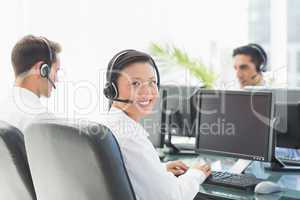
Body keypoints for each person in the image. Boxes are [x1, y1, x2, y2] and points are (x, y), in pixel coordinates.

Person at [100, 49, 211, 200]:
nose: (147, 91)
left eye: (152, 82)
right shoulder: (130, 136)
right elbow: (172, 197)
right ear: (112, 90)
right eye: (136, 83)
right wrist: (196, 174)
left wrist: (159, 170)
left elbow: (123, 175)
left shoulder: (109, 123)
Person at [0, 35, 61, 132]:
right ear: (41, 69)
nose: (57, 79)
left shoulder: (3, 108)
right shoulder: (42, 119)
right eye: (56, 71)